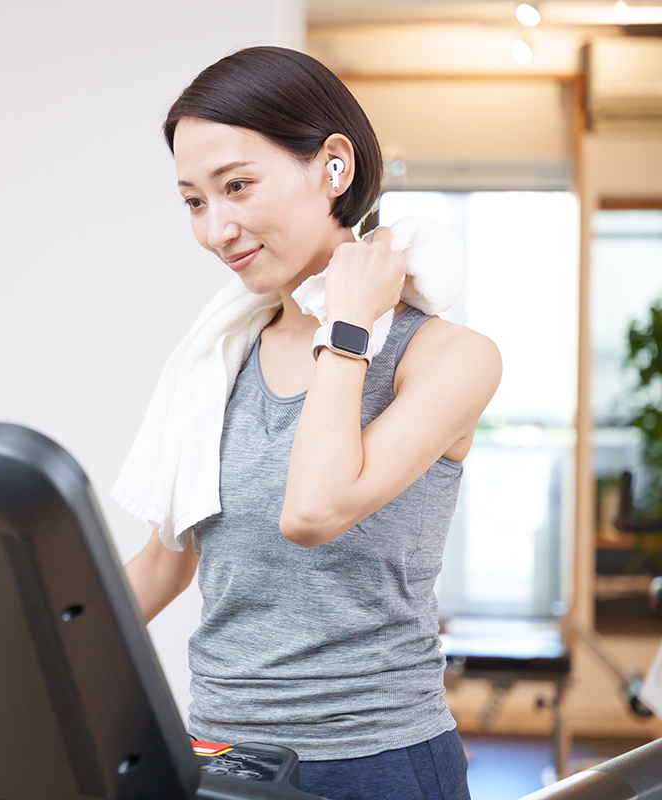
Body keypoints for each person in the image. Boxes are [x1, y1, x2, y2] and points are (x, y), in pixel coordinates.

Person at [121, 47, 500, 800]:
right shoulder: (220, 358)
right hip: (216, 752)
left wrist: (351, 321)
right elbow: (167, 563)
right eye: (195, 201)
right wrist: (7, 659)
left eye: (237, 186)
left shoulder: (449, 357)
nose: (216, 229)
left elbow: (315, 508)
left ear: (333, 166)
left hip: (375, 762)